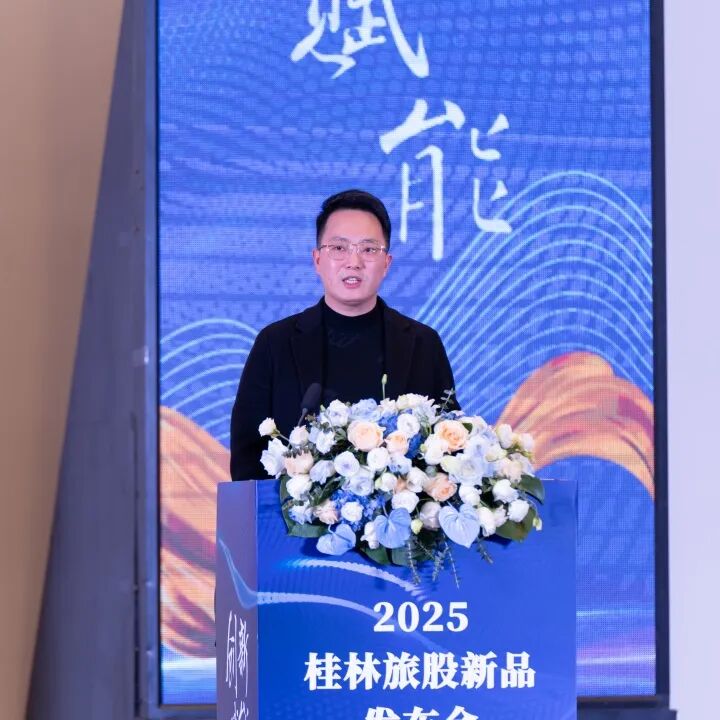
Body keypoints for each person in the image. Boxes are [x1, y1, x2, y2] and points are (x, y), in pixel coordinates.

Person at [230, 189, 457, 480]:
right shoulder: (275, 343)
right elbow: (248, 455)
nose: (354, 261)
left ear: (386, 263)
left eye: (369, 249)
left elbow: (449, 443)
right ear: (317, 260)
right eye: (339, 248)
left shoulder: (423, 343)